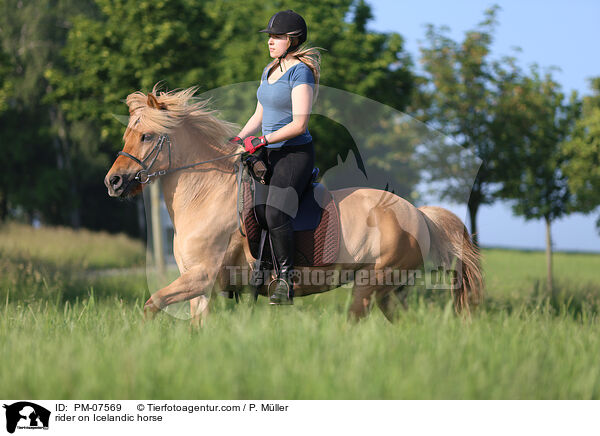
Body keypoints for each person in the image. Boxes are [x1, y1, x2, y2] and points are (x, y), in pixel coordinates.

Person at [231, 10, 321, 305]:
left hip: (295, 153)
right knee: (255, 211)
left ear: (292, 41)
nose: (271, 41)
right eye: (270, 36)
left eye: (277, 37)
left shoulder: (300, 72)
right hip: (267, 151)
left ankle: (285, 281)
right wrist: (239, 139)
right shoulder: (269, 70)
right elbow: (259, 114)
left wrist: (262, 140)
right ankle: (262, 270)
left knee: (275, 212)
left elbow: (299, 124)